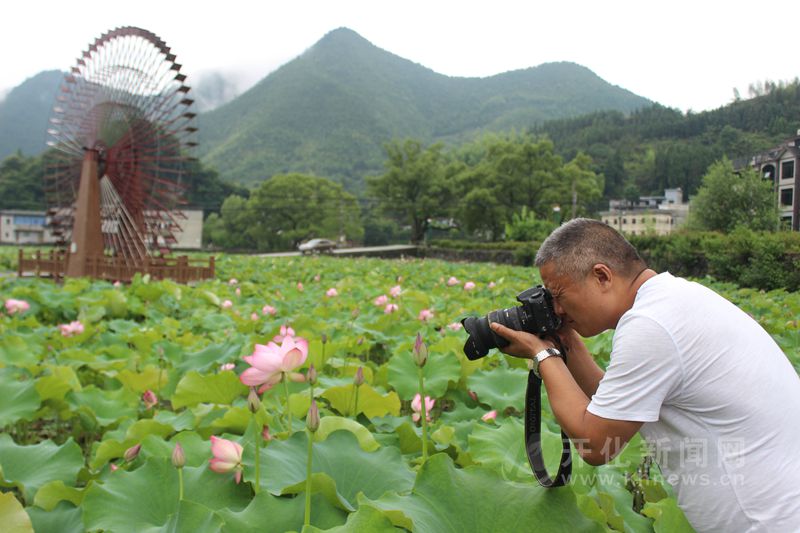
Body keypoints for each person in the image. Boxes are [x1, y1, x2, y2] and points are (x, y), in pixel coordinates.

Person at [490, 218, 800, 533]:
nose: (555, 310)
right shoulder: (672, 299)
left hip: (769, 522)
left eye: (559, 295)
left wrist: (543, 355)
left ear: (601, 276)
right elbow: (614, 409)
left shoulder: (651, 324)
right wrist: (565, 342)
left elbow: (596, 444)